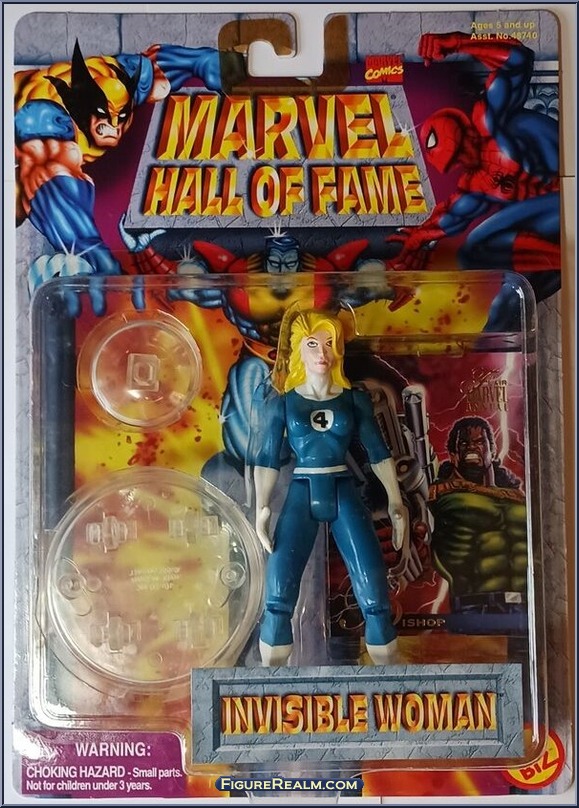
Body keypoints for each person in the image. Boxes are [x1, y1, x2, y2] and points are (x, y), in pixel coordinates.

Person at [252, 310, 410, 665]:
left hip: (342, 488)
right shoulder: (284, 403)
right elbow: (267, 457)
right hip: (302, 489)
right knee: (278, 593)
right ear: (299, 349)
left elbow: (378, 451)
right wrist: (261, 506)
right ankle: (269, 679)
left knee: (373, 589)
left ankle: (389, 676)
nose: (322, 352)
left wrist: (396, 500)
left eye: (329, 343)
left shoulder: (353, 400)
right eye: (313, 344)